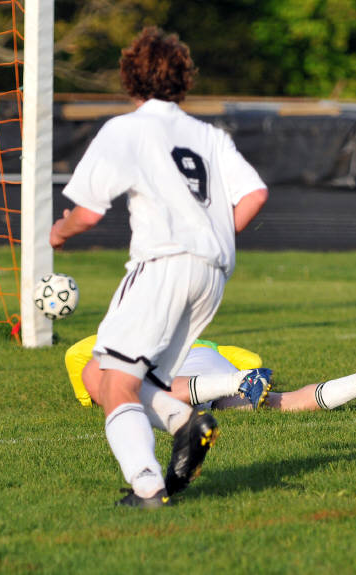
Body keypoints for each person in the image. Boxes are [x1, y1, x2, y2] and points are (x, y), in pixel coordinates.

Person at [49, 27, 268, 508]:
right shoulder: (210, 136)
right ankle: (182, 421)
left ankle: (147, 486)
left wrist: (58, 232)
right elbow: (255, 194)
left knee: (112, 382)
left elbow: (87, 213)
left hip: (164, 265)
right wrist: (214, 238)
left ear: (129, 79)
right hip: (211, 274)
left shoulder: (126, 129)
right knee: (133, 380)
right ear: (184, 80)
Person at [65, 335, 356, 413]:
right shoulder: (206, 343)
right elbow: (246, 357)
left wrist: (89, 393)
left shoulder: (113, 340)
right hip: (212, 366)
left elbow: (77, 357)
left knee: (125, 391)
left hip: (184, 372)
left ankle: (238, 382)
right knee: (280, 402)